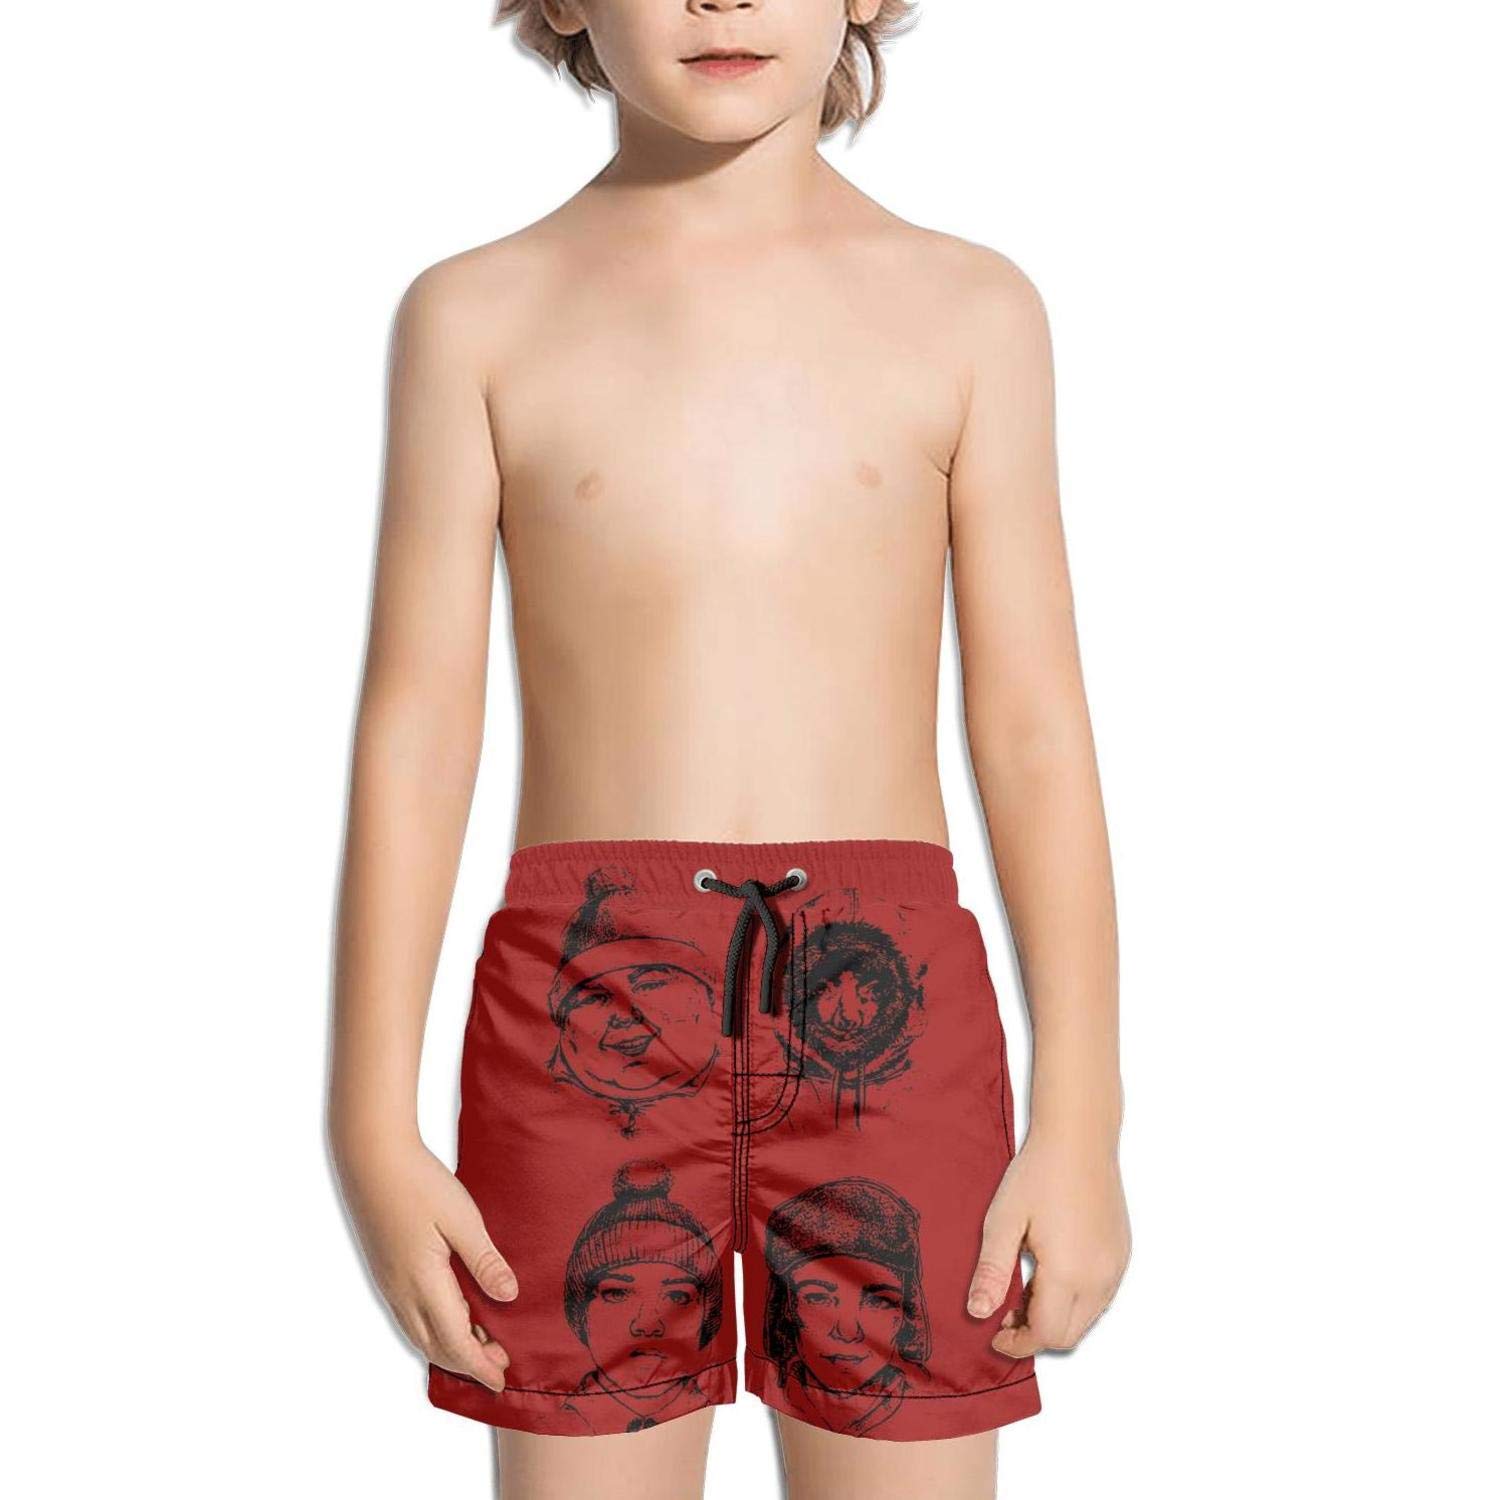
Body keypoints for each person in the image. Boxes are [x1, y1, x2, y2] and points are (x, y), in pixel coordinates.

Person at [329, 3, 1131, 1497]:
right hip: (589, 1009)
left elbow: (1032, 730)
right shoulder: (477, 316)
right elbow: (417, 730)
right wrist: (369, 1120)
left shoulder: (971, 312)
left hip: (891, 1014)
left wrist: (1085, 1116)